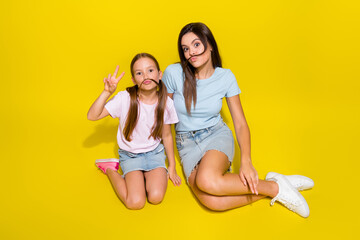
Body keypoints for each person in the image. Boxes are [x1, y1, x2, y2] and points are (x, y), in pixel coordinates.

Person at [162, 22, 314, 217]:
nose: (191, 52)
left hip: (215, 134)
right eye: (185, 49)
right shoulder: (173, 73)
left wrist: (246, 160)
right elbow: (163, 116)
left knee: (207, 181)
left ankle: (276, 189)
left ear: (209, 45)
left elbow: (240, 123)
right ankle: (275, 185)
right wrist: (168, 162)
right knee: (211, 202)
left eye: (196, 44)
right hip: (186, 143)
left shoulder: (226, 77)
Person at [88, 53, 181, 210]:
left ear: (159, 75)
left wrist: (171, 166)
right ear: (134, 80)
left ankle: (145, 177)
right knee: (135, 203)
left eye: (150, 70)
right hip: (130, 156)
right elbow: (92, 116)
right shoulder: (124, 98)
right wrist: (107, 92)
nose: (145, 76)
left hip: (154, 154)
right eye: (139, 73)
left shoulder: (166, 103)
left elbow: (167, 135)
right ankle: (110, 169)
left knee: (156, 197)